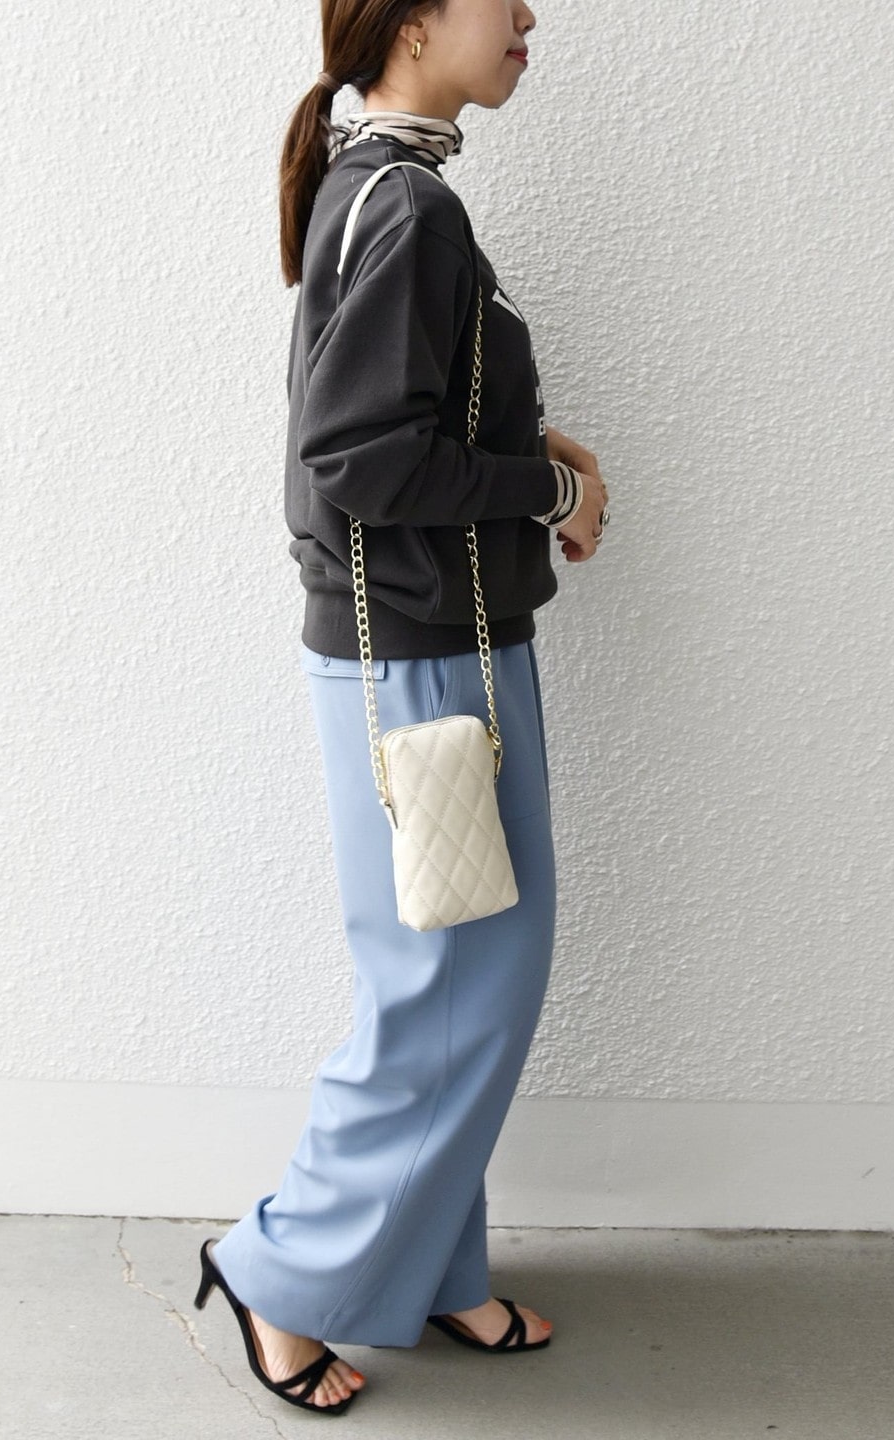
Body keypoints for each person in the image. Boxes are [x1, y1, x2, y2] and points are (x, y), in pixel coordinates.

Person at [193, 0, 609, 1417]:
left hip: (441, 649)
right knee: (450, 991)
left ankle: (429, 1264)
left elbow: (408, 415)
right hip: (424, 659)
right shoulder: (406, 206)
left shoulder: (383, 186)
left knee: (461, 976)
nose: (529, 15)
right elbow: (359, 458)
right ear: (418, 19)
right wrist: (546, 489)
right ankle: (283, 1269)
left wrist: (522, 438)